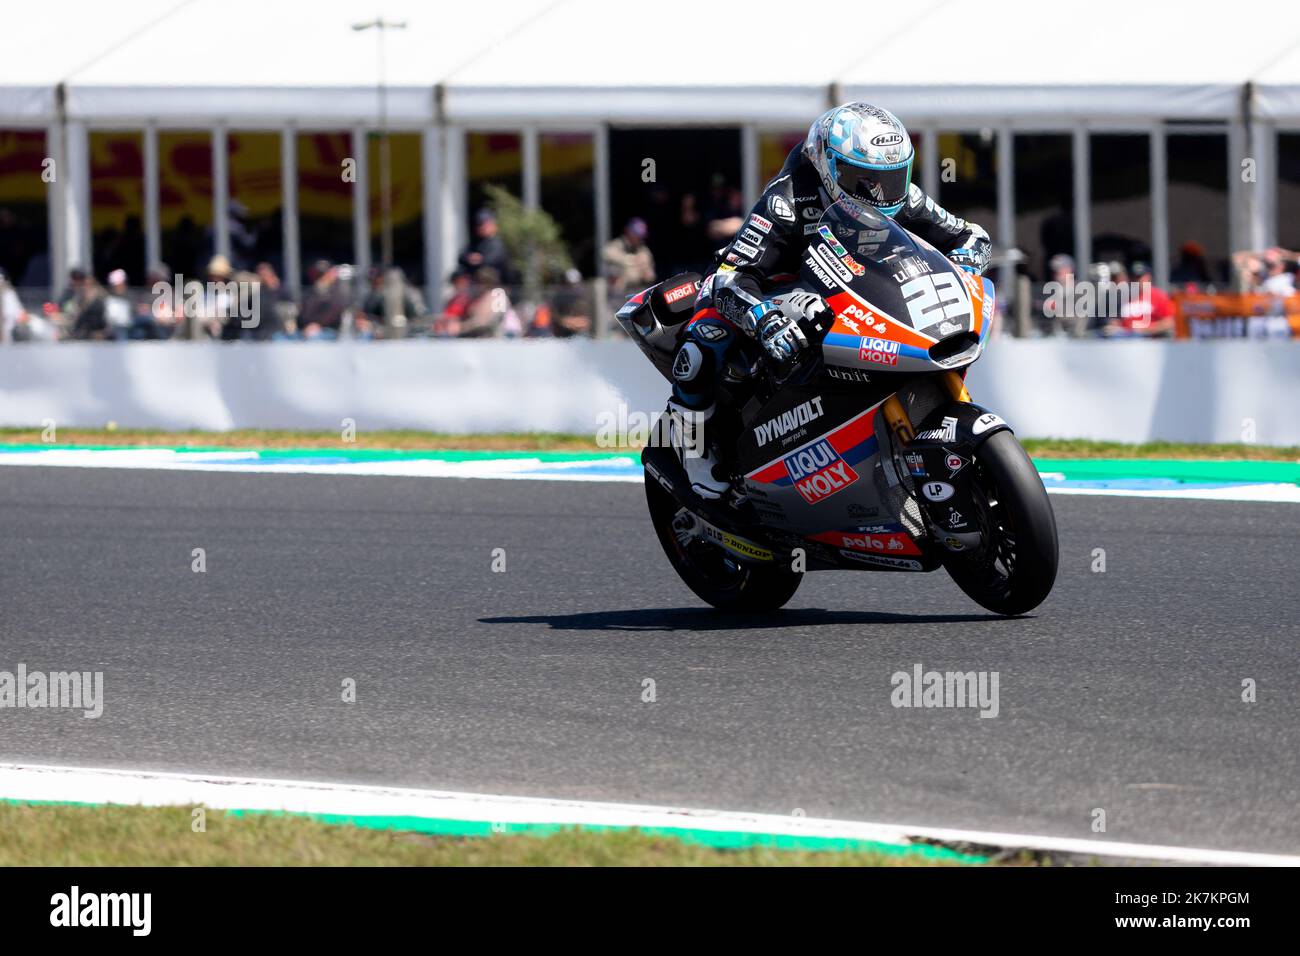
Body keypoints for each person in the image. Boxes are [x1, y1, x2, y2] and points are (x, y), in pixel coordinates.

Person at [664, 102, 992, 498]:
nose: (880, 193)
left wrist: (966, 260)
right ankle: (692, 443)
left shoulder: (902, 198)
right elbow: (730, 277)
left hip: (863, 295)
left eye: (891, 178)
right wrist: (764, 318)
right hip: (779, 294)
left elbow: (969, 235)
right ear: (827, 164)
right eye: (863, 179)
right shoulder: (785, 201)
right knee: (706, 339)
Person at [458, 209, 515, 285]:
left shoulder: (497, 243)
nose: (482, 227)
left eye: (485, 224)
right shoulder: (475, 242)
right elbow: (461, 257)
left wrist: (479, 260)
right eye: (480, 224)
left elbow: (492, 261)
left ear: (493, 225)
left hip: (495, 287)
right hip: (477, 286)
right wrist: (469, 258)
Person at [602, 217, 656, 294]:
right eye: (635, 234)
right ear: (628, 232)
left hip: (638, 291)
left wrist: (645, 270)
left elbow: (651, 277)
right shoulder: (617, 245)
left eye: (640, 236)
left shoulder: (643, 250)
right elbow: (606, 254)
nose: (638, 238)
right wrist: (630, 259)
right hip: (618, 293)